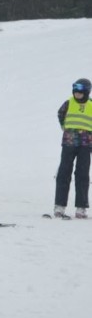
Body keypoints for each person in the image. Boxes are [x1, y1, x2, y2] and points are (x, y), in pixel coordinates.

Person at [53, 78, 91, 219]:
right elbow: (60, 114)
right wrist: (64, 127)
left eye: (80, 90)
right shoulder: (69, 103)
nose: (77, 93)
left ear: (86, 91)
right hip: (69, 143)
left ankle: (81, 207)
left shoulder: (91, 105)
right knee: (64, 173)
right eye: (75, 90)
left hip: (86, 145)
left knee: (82, 175)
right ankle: (59, 206)